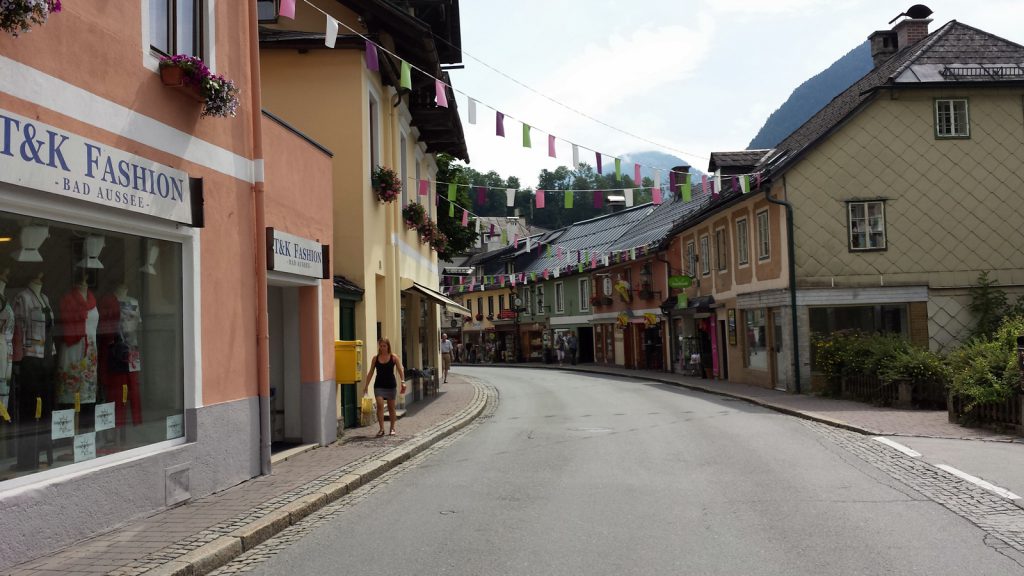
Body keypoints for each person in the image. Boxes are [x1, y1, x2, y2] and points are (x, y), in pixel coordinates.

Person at [363, 338, 406, 436]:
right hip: (379, 385)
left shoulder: (394, 357)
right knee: (380, 405)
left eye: (384, 346)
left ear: (388, 346)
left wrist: (403, 381)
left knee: (391, 408)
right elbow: (370, 372)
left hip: (390, 385)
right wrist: (366, 385)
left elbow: (400, 370)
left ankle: (392, 428)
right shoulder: (375, 358)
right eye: (381, 346)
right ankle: (381, 428)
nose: (382, 348)